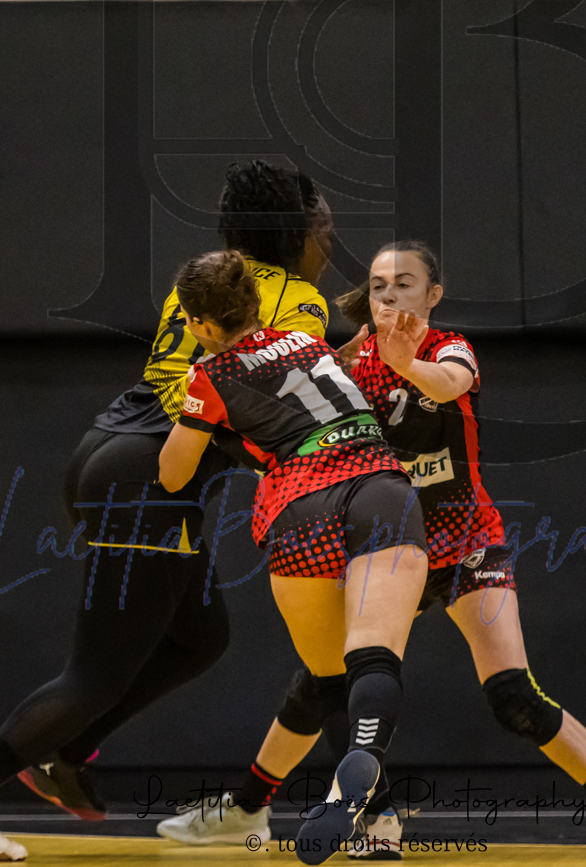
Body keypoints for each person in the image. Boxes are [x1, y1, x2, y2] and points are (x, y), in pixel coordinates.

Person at [157, 242, 586, 854]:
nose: (389, 294)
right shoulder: (344, 363)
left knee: (512, 695)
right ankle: (254, 808)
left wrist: (406, 364)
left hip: (463, 539)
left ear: (433, 295)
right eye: (378, 284)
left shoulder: (448, 349)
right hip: (386, 534)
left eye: (404, 283)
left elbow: (450, 385)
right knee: (323, 682)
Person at [0, 161, 334, 863]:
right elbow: (273, 406)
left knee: (201, 637)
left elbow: (186, 382)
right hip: (148, 481)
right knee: (96, 674)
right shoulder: (300, 302)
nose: (330, 240)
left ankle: (65, 751)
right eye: (324, 227)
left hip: (103, 450)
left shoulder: (208, 280)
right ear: (300, 232)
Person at [159, 250, 431, 867]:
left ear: (200, 324)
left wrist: (202, 412)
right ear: (256, 304)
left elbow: (173, 475)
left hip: (299, 506)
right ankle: (372, 797)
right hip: (379, 486)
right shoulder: (308, 343)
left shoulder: (209, 375)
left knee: (329, 674)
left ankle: (377, 816)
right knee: (374, 657)